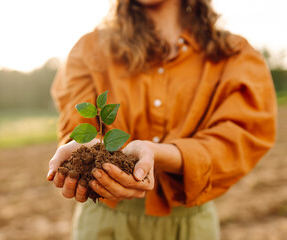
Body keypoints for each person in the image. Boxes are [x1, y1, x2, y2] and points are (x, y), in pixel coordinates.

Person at [47, 0, 277, 239]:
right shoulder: (91, 50)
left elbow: (234, 142)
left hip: (189, 226)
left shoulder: (233, 56)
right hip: (105, 222)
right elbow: (78, 128)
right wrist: (83, 152)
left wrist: (155, 153)